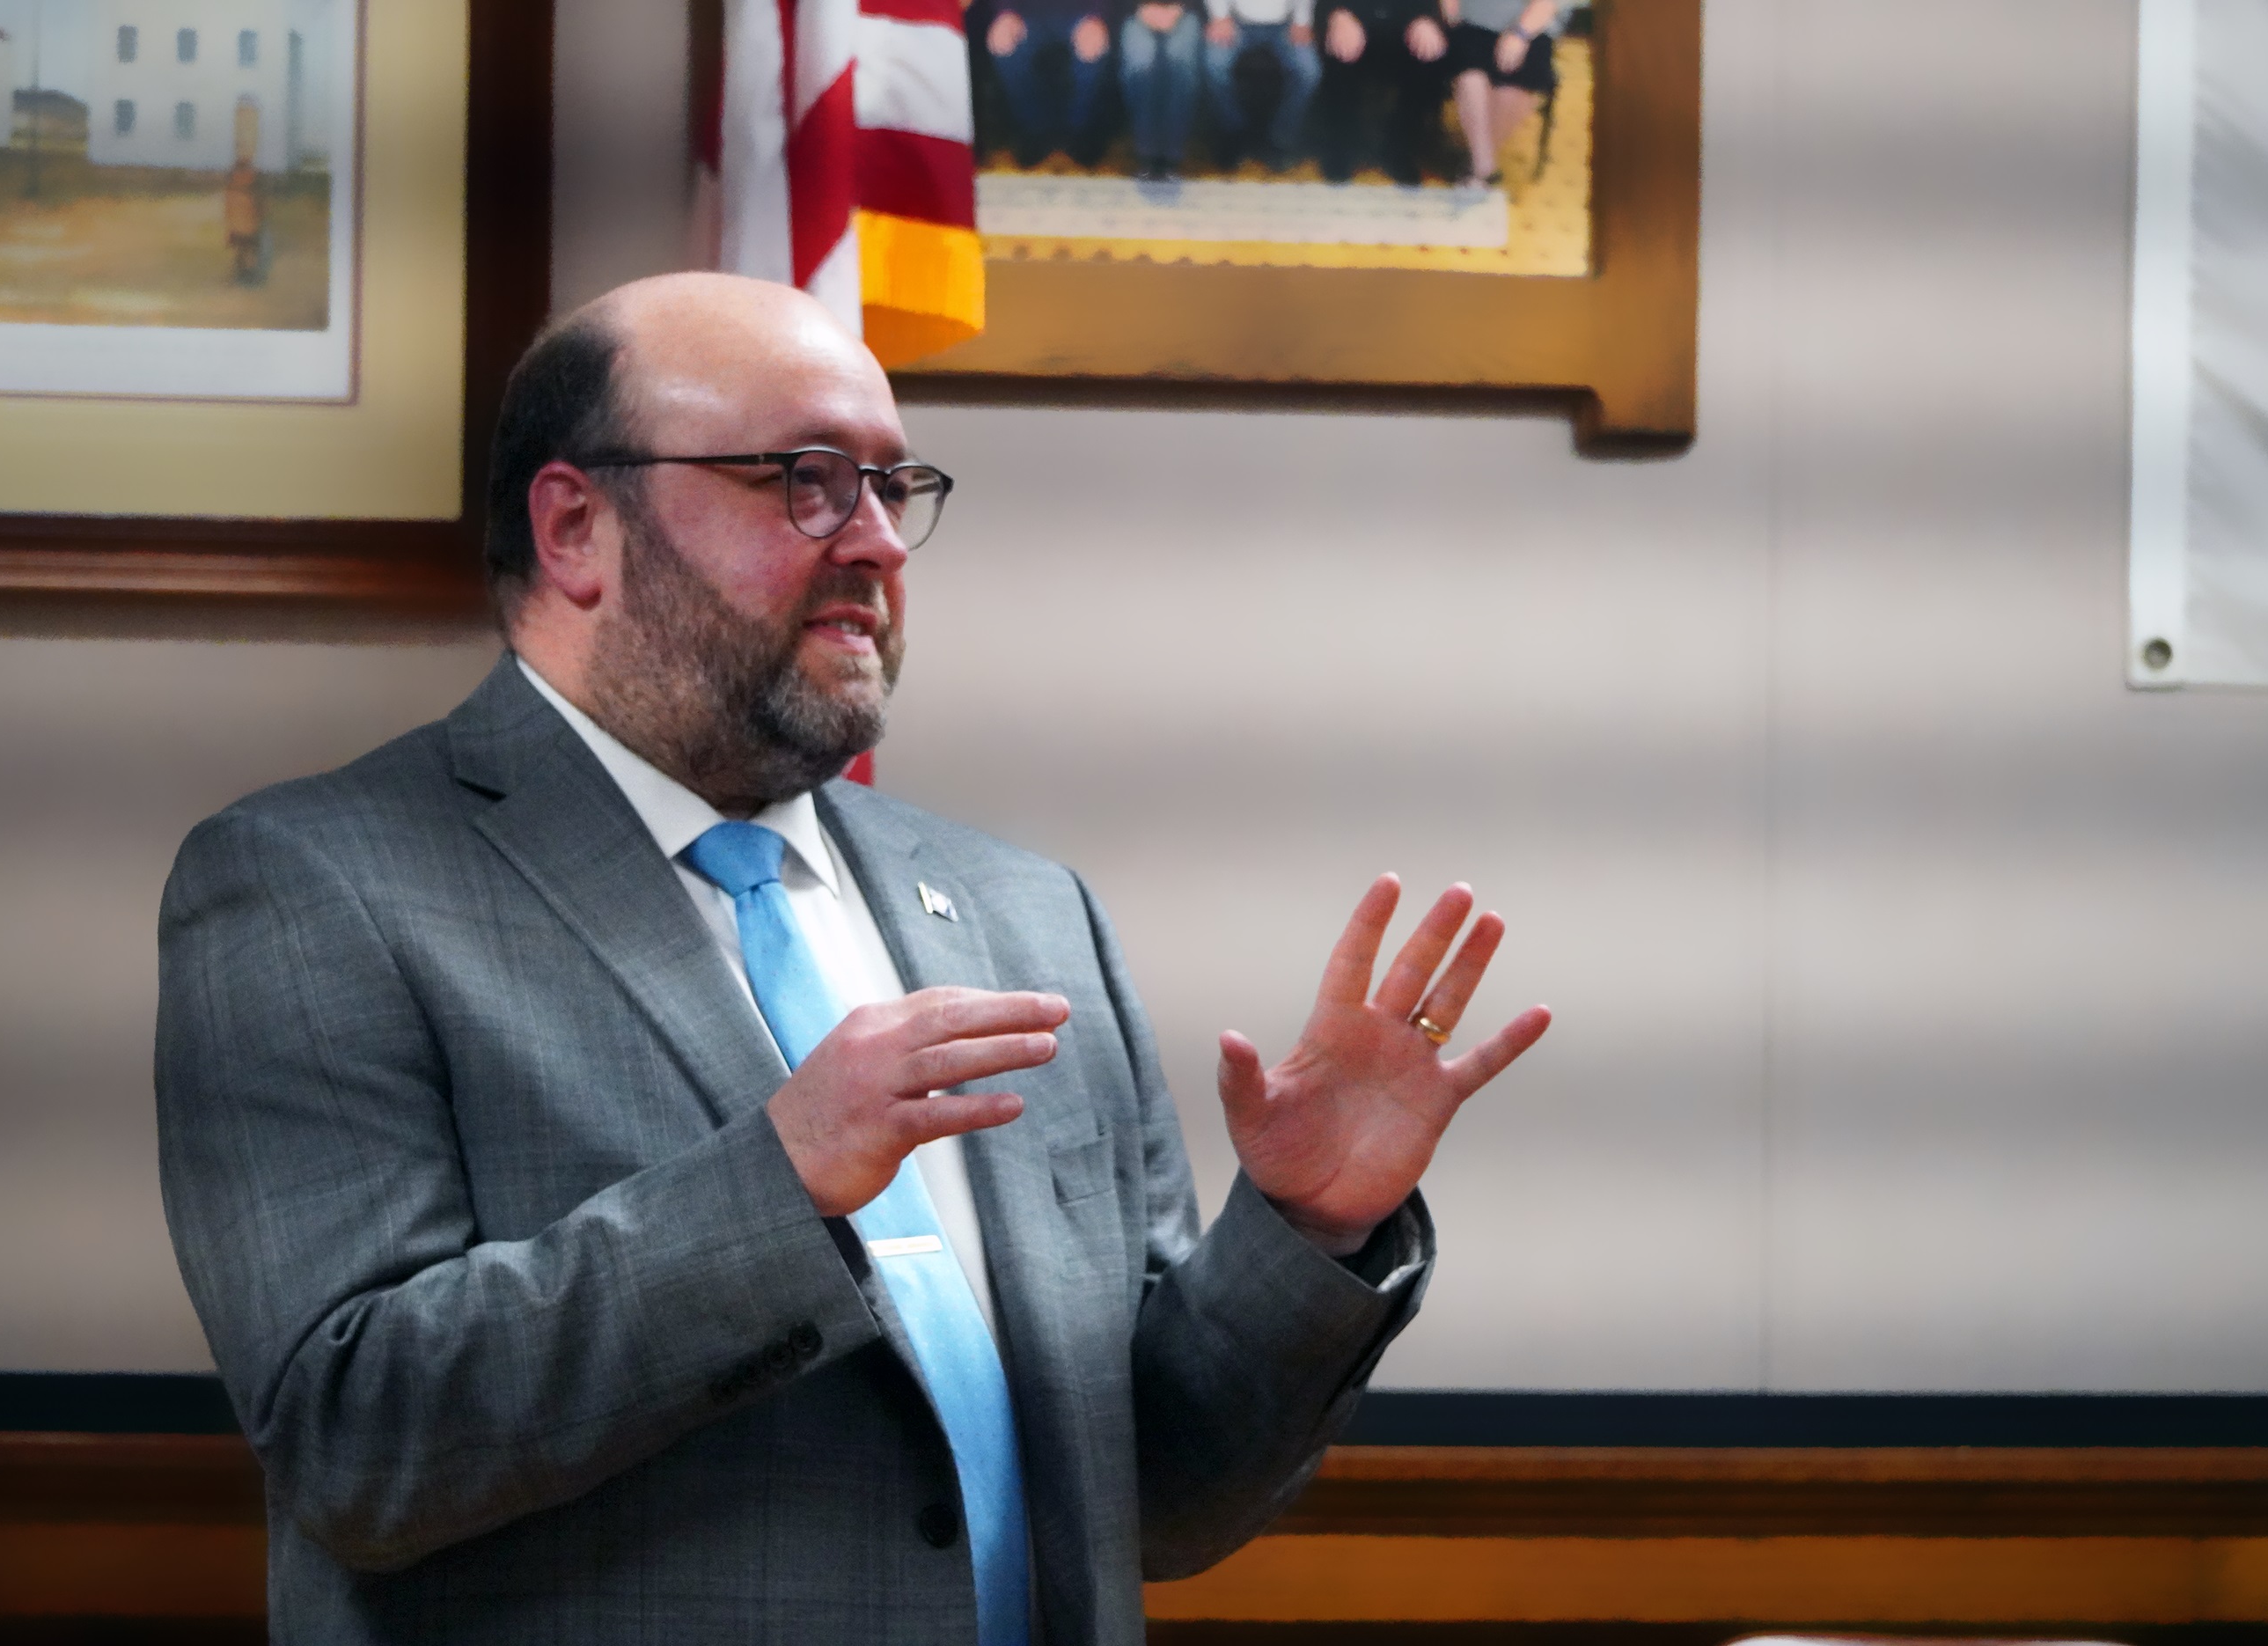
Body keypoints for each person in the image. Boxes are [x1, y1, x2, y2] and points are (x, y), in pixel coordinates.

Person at [155, 271, 1549, 1645]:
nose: (877, 539)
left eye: (896, 486)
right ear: (577, 526)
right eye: (805, 478)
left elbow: (1159, 1500)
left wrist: (1303, 1234)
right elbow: (358, 1445)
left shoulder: (1023, 911)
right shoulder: (316, 885)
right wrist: (777, 1181)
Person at [1310, 0, 1452, 184]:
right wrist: (1338, 15)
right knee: (1340, 54)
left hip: (1402, 27)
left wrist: (1426, 19)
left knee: (1430, 59)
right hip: (1353, 21)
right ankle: (1340, 146)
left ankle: (1399, 148)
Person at [1444, 0, 1567, 191]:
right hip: (1472, 22)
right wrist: (1449, 20)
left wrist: (1520, 34)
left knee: (1512, 91)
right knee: (1471, 79)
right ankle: (1484, 167)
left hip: (1531, 28)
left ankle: (1477, 167)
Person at [980, 0, 1114, 167]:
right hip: (1023, 12)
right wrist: (1005, 11)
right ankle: (1035, 130)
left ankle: (1079, 132)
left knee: (1093, 47)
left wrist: (1097, 15)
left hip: (1084, 11)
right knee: (1002, 44)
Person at [1201, 0, 1321, 172]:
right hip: (1237, 21)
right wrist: (1220, 16)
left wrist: (1302, 21)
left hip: (1284, 24)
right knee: (1214, 65)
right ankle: (1234, 132)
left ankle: (1281, 138)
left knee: (1309, 71)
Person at [1119, 0, 1204, 180]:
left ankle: (1172, 155)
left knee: (1180, 63)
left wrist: (1178, 8)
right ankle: (1146, 153)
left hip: (1184, 10)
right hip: (1136, 11)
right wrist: (1140, 8)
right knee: (1140, 64)